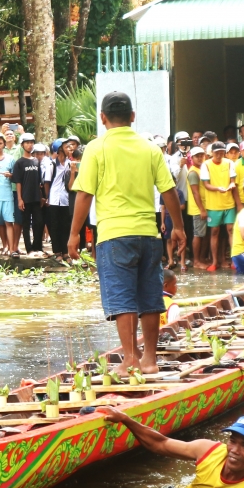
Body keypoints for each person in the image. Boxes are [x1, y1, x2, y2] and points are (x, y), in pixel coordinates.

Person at [68, 91, 184, 374]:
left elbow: (84, 195)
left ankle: (131, 359)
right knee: (150, 296)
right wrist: (179, 227)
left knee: (122, 298)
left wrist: (74, 235)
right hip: (149, 233)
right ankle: (150, 361)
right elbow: (168, 190)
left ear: (102, 117)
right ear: (132, 117)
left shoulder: (96, 148)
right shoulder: (150, 148)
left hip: (114, 234)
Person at [97, 407, 244, 488]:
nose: (234, 450)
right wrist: (125, 419)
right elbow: (161, 444)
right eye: (232, 441)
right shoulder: (207, 450)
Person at [201, 142, 240, 271]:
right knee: (215, 232)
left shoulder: (229, 163)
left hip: (229, 203)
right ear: (212, 152)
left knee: (231, 230)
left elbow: (233, 181)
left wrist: (231, 185)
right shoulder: (206, 165)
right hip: (213, 204)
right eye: (217, 152)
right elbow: (206, 184)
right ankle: (215, 261)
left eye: (221, 152)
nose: (219, 155)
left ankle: (234, 260)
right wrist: (218, 188)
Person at [13, 135, 45, 256]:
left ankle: (38, 247)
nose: (30, 145)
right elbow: (18, 182)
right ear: (22, 145)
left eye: (31, 142)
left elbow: (39, 182)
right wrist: (20, 199)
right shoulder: (19, 163)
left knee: (39, 223)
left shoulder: (36, 161)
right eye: (27, 143)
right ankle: (29, 249)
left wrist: (42, 196)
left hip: (36, 198)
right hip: (25, 198)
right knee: (25, 224)